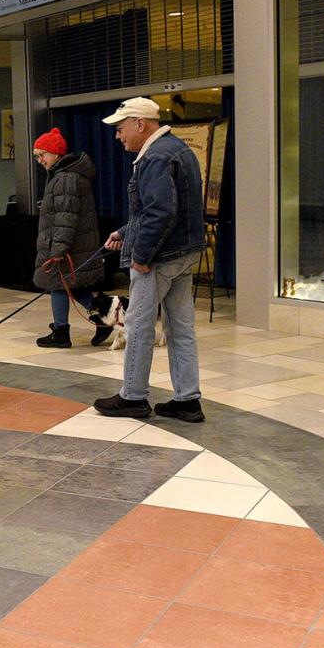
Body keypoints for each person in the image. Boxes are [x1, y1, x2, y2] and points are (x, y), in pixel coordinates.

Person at [93, 97, 206, 423]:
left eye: (120, 128)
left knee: (139, 326)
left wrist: (141, 255)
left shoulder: (155, 156)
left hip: (159, 258)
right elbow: (165, 210)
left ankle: (133, 397)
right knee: (180, 328)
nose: (118, 136)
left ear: (140, 124)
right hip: (183, 254)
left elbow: (161, 212)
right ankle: (187, 401)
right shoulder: (178, 149)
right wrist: (125, 232)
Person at [30, 128, 112, 348]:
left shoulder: (65, 179)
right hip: (71, 245)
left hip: (69, 247)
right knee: (70, 286)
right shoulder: (63, 175)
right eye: (37, 156)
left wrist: (57, 250)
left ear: (56, 153)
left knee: (58, 284)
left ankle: (61, 332)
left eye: (42, 155)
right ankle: (102, 319)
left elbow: (66, 219)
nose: (40, 160)